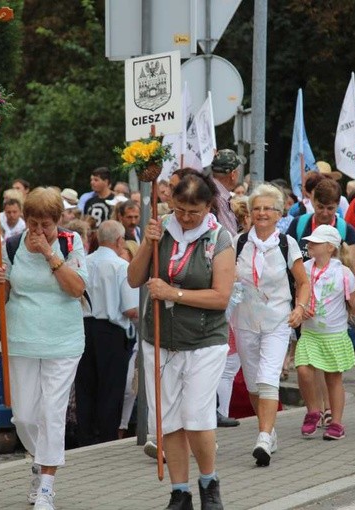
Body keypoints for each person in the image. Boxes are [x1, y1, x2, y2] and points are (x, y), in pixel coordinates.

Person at [128, 171, 234, 510]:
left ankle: (209, 482)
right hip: (159, 338)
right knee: (167, 417)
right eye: (180, 210)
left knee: (195, 414)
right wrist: (148, 242)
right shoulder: (161, 230)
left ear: (209, 207)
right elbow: (133, 279)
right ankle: (179, 491)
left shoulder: (219, 238)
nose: (186, 218)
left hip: (205, 339)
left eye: (195, 212)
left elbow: (221, 297)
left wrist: (172, 292)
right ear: (171, 204)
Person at [0, 187, 88, 510]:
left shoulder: (71, 243)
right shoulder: (12, 245)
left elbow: (77, 289)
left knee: (52, 411)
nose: (38, 231)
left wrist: (49, 253)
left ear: (58, 221)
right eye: (33, 223)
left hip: (63, 339)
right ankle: (39, 459)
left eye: (45, 224)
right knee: (25, 417)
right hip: (21, 339)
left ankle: (47, 483)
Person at [232, 184, 309, 465]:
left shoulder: (287, 244)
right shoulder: (238, 242)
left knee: (267, 378)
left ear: (279, 214)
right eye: (257, 208)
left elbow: (303, 282)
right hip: (244, 321)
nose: (262, 213)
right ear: (250, 213)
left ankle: (263, 438)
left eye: (268, 209)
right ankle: (269, 430)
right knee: (253, 383)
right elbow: (225, 276)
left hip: (278, 321)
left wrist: (300, 307)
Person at [297, 225, 355, 440]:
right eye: (309, 242)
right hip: (310, 333)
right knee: (303, 370)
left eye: (315, 243)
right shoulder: (305, 268)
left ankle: (336, 422)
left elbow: (354, 305)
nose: (309, 245)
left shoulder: (343, 273)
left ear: (330, 247)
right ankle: (313, 411)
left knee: (333, 379)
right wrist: (301, 306)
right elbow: (300, 291)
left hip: (334, 334)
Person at [75, 220, 138, 445]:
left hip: (83, 328)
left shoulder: (84, 261)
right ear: (120, 241)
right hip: (110, 330)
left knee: (85, 386)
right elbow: (130, 308)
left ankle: (85, 437)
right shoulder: (120, 266)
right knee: (111, 388)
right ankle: (107, 438)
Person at [210, 148, 244, 236]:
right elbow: (229, 236)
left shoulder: (208, 190)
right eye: (238, 171)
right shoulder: (219, 198)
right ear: (233, 174)